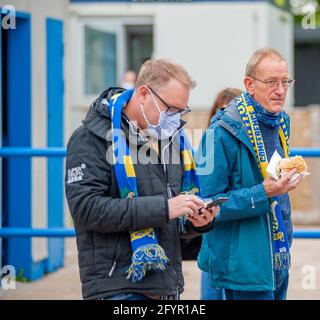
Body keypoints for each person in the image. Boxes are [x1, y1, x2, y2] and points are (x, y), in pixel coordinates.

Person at [65, 58, 219, 300]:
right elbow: (86, 209)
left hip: (165, 287)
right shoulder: (90, 137)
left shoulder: (170, 141)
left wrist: (195, 222)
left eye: (182, 111)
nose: (175, 118)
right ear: (144, 93)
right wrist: (165, 207)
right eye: (171, 109)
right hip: (117, 287)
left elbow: (169, 221)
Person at [197, 48, 303, 300]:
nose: (280, 90)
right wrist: (265, 192)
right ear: (249, 85)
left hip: (278, 255)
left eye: (285, 81)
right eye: (271, 82)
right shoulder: (220, 132)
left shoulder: (279, 122)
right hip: (243, 268)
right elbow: (207, 205)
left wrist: (284, 183)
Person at [199, 87, 241, 300]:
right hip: (213, 237)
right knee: (210, 293)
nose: (223, 117)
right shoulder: (208, 144)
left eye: (229, 110)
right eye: (219, 111)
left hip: (238, 238)